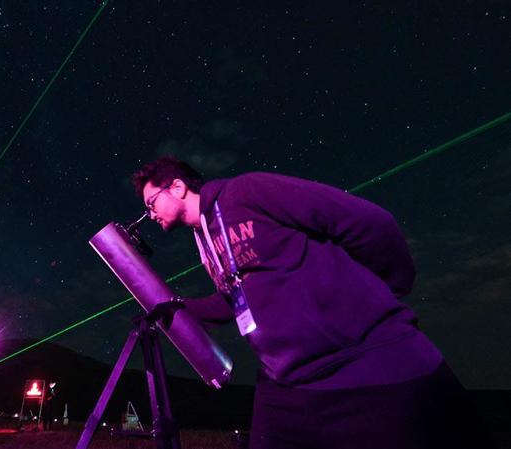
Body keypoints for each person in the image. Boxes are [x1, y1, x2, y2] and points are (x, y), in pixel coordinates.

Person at [131, 156, 493, 449]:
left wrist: (386, 291)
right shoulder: (205, 241)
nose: (150, 214)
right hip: (287, 386)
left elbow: (369, 222)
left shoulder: (247, 192)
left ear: (177, 187)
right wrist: (178, 308)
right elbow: (233, 301)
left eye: (151, 203)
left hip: (365, 364)